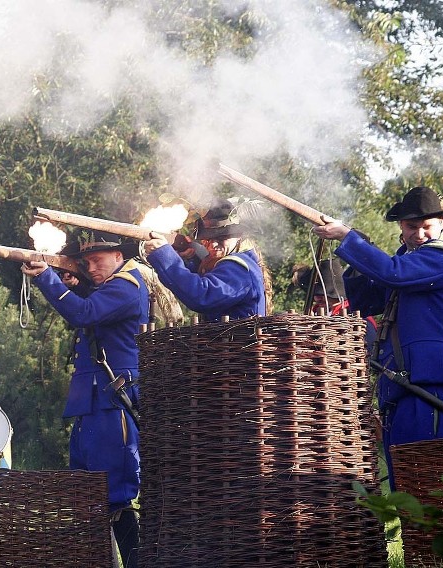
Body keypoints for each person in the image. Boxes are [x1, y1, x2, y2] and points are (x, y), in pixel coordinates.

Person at [312, 186, 443, 489]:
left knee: (427, 480)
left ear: (441, 225)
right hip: (400, 383)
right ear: (401, 226)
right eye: (413, 226)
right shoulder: (408, 260)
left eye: (427, 226)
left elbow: (391, 273)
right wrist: (357, 251)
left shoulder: (441, 257)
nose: (420, 233)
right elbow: (366, 298)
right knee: (404, 482)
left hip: (429, 383)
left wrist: (348, 238)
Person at [21, 231, 147, 568]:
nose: (90, 266)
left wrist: (49, 278)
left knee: (115, 495)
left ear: (119, 256)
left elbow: (84, 314)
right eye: (85, 261)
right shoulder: (109, 286)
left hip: (112, 403)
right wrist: (74, 284)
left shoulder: (127, 285)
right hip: (93, 403)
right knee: (88, 493)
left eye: (97, 260)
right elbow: (89, 306)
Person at [143, 197, 269, 320]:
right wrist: (190, 259)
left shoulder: (238, 268)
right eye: (208, 239)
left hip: (238, 341)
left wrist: (164, 255)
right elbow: (213, 278)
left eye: (221, 238)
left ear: (239, 235)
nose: (213, 244)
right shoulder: (239, 261)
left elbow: (203, 295)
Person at [291, 258, 378, 351]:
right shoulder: (312, 314)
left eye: (321, 294)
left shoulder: (358, 316)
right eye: (315, 294)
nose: (317, 298)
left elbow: (368, 349)